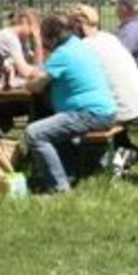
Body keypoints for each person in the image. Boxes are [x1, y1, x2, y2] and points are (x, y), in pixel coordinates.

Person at [23, 13, 117, 193]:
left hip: (88, 113)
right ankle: (68, 176)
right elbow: (45, 71)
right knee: (53, 127)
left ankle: (59, 188)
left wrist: (26, 83)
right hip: (103, 111)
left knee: (34, 133)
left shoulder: (63, 54)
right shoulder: (76, 45)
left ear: (50, 36)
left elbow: (36, 86)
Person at [69, 3, 138, 170]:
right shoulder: (109, 38)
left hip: (115, 110)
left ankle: (114, 159)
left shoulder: (84, 46)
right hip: (136, 104)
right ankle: (125, 150)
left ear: (77, 25)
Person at [0, 7, 43, 84]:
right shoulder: (9, 37)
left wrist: (37, 41)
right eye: (35, 26)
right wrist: (45, 73)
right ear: (25, 21)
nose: (35, 30)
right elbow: (24, 71)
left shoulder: (22, 40)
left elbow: (36, 65)